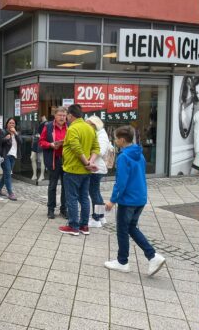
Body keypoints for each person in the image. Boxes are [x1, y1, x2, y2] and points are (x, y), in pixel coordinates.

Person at [104, 124, 166, 275]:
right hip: (140, 198)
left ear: (123, 140)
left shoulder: (124, 157)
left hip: (128, 200)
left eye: (116, 139)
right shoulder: (140, 154)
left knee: (122, 230)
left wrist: (112, 200)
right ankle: (152, 256)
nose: (115, 141)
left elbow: (121, 182)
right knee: (131, 227)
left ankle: (122, 262)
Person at [60, 103, 99, 236]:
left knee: (71, 198)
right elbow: (96, 148)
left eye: (67, 116)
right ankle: (84, 226)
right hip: (86, 171)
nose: (66, 118)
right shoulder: (90, 128)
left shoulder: (73, 129)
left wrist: (86, 162)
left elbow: (76, 148)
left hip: (73, 169)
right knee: (84, 198)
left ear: (70, 115)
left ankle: (73, 226)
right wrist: (90, 163)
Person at [39, 106, 68, 219]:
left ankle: (64, 209)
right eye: (60, 115)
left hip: (67, 160)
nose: (62, 117)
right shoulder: (49, 126)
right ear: (55, 116)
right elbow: (41, 142)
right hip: (54, 160)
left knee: (66, 186)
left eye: (64, 115)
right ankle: (51, 209)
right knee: (52, 186)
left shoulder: (69, 126)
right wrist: (50, 145)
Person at [87, 115, 113, 228]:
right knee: (96, 193)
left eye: (88, 124)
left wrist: (87, 157)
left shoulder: (101, 134)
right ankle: (101, 216)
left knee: (94, 194)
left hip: (97, 168)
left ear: (94, 124)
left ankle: (96, 218)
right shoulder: (99, 133)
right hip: (96, 167)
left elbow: (100, 151)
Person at [0, 116, 21, 201]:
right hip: (5, 155)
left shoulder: (16, 133)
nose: (11, 124)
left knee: (6, 174)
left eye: (13, 123)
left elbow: (20, 142)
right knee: (8, 174)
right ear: (7, 124)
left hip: (13, 156)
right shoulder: (3, 132)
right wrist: (5, 139)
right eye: (10, 123)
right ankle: (10, 193)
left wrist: (15, 133)